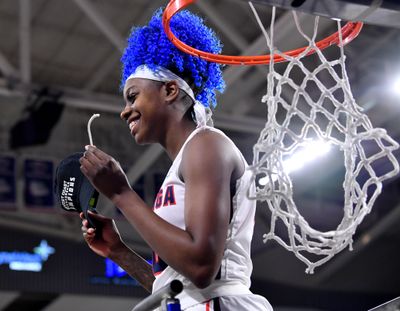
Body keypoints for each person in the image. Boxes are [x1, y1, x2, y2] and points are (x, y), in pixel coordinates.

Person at [79, 7, 273, 311]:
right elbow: (178, 286)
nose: (124, 110)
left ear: (170, 90)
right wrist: (120, 253)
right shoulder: (189, 158)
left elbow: (201, 268)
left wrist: (121, 194)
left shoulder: (207, 145)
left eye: (133, 96)